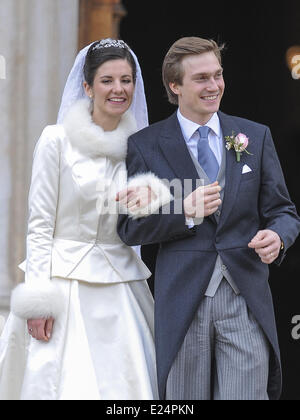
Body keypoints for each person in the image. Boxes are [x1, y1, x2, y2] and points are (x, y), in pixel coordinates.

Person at [117, 36, 300, 400]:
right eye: (201, 78)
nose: (214, 85)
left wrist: (278, 237)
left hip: (245, 299)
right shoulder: (146, 145)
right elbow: (130, 226)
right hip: (182, 303)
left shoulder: (255, 137)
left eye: (217, 75)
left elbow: (284, 211)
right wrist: (183, 212)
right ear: (175, 85)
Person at [0, 39, 172, 400]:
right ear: (87, 86)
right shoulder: (56, 140)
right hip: (63, 287)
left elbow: (145, 222)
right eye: (107, 80)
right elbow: (40, 224)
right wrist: (39, 302)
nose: (118, 89)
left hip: (121, 284)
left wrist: (155, 196)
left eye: (126, 80)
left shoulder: (142, 148)